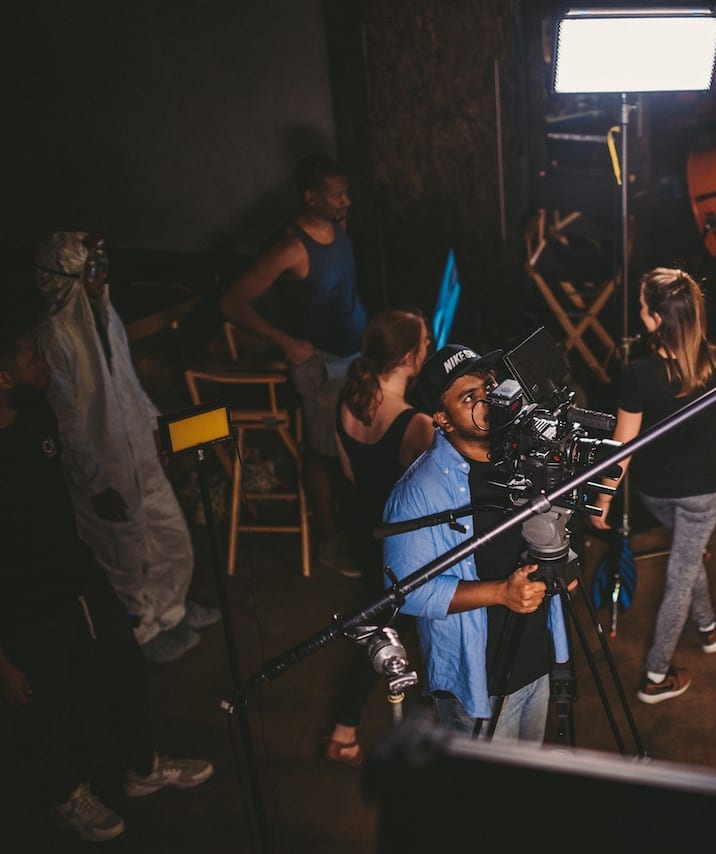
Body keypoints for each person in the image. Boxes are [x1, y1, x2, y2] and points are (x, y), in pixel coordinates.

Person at [0, 320, 213, 844]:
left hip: (80, 576)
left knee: (124, 667)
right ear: (3, 376)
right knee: (49, 706)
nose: (41, 363)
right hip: (24, 606)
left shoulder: (37, 413)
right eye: (29, 356)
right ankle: (64, 794)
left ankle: (142, 767)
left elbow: (67, 475)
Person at [32, 230, 219, 664]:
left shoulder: (106, 318)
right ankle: (144, 629)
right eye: (92, 271)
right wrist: (96, 482)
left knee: (167, 534)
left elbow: (129, 387)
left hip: (139, 450)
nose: (102, 279)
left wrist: (158, 431)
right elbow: (69, 422)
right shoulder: (55, 339)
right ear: (69, 279)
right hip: (104, 467)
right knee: (126, 554)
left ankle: (172, 609)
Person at [382, 344, 570, 743]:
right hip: (480, 682)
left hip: (538, 659)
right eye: (469, 397)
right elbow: (405, 594)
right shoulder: (419, 491)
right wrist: (502, 593)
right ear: (441, 417)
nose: (488, 401)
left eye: (488, 387)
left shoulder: (522, 459)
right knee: (484, 798)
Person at [590, 267, 716, 704]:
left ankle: (706, 631)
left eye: (642, 306)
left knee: (687, 558)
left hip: (653, 492)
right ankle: (656, 675)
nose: (639, 312)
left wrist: (603, 498)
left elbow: (623, 445)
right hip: (703, 494)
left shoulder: (638, 374)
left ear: (657, 319)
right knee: (682, 571)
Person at [220, 153, 369, 575]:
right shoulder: (289, 246)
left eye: (346, 193)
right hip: (321, 366)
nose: (346, 201)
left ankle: (353, 525)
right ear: (310, 197)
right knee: (322, 451)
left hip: (353, 356)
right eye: (337, 194)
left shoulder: (337, 229)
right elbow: (232, 302)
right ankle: (329, 539)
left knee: (351, 444)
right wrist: (285, 343)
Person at [322, 309, 435, 767]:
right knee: (388, 638)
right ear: (410, 357)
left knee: (384, 629)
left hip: (368, 538)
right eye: (425, 343)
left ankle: (346, 730)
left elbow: (349, 474)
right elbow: (441, 499)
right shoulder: (415, 424)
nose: (429, 348)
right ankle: (344, 733)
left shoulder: (348, 404)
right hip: (406, 550)